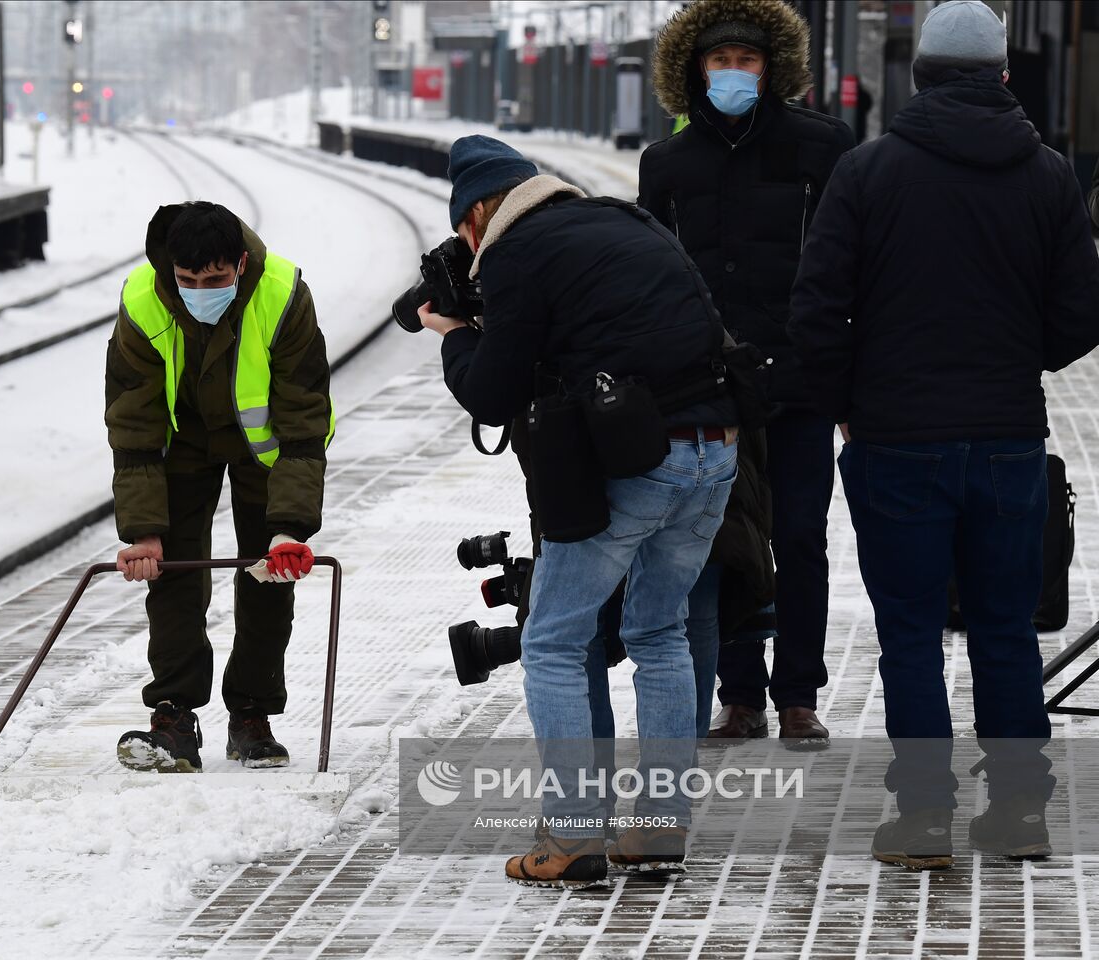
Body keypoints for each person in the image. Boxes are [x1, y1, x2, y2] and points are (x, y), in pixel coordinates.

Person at [790, 0, 1099, 869]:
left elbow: (815, 310)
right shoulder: (1047, 175)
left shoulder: (869, 171)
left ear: (918, 76)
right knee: (1005, 631)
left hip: (895, 440)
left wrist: (848, 399)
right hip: (1006, 438)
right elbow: (1081, 310)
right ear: (1004, 76)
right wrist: (1018, 360)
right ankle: (1020, 813)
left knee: (911, 635)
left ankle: (924, 818)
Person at [421, 135, 740, 888]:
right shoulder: (626, 219)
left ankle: (570, 837)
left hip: (642, 460)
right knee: (659, 629)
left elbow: (494, 392)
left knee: (556, 640)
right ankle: (660, 828)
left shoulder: (514, 254)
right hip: (717, 450)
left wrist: (456, 334)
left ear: (475, 218)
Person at [637, 0, 855, 746]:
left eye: (748, 61)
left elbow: (851, 266)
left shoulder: (823, 147)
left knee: (799, 538)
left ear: (774, 69)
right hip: (707, 390)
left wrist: (847, 379)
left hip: (798, 381)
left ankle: (798, 695)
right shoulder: (668, 163)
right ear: (695, 69)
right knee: (722, 541)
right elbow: (648, 274)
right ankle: (740, 696)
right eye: (720, 61)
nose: (734, 73)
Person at [106, 201, 334, 773]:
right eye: (187, 281)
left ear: (240, 263)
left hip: (265, 445)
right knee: (175, 574)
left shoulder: (282, 295)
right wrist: (143, 532)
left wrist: (291, 528)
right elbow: (133, 424)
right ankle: (173, 716)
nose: (200, 290)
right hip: (182, 440)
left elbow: (305, 421)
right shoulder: (143, 300)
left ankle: (252, 715)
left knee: (267, 575)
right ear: (170, 272)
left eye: (215, 280)